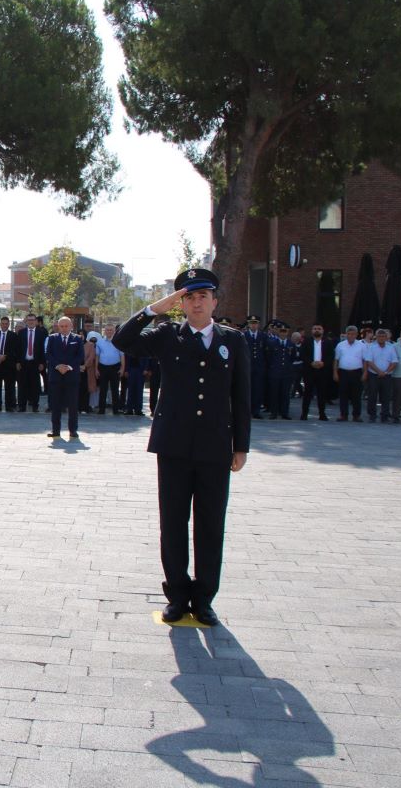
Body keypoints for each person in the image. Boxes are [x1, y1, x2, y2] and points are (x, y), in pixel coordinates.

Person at [112, 269, 250, 627]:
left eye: (204, 295)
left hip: (216, 446)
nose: (197, 301)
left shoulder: (232, 341)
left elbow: (242, 396)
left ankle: (204, 598)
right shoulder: (167, 335)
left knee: (210, 525)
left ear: (215, 300)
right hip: (173, 445)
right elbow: (123, 341)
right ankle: (176, 593)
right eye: (189, 296)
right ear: (181, 303)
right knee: (173, 523)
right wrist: (156, 307)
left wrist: (242, 446)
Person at [46, 316, 84, 439]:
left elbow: (80, 356)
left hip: (71, 376)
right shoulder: (52, 338)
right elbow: (48, 354)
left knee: (72, 405)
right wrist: (58, 366)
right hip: (56, 376)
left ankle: (73, 430)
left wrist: (68, 366)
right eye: (61, 326)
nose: (63, 328)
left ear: (71, 326)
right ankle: (55, 430)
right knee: (55, 404)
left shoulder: (77, 339)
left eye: (66, 326)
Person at [299, 324, 334, 421]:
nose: (317, 330)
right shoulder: (306, 342)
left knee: (322, 393)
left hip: (323, 371)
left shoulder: (328, 342)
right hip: (309, 371)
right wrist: (311, 362)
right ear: (311, 330)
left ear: (322, 331)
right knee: (307, 393)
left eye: (319, 329)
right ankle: (304, 414)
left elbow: (331, 356)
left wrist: (324, 363)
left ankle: (322, 414)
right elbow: (302, 354)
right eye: (315, 329)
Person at [363, 328, 397, 422]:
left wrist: (385, 372)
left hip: (387, 375)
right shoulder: (371, 347)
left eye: (383, 336)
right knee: (372, 395)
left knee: (386, 396)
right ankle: (372, 415)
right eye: (379, 336)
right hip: (373, 374)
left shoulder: (391, 347)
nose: (381, 338)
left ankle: (384, 416)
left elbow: (394, 362)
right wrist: (379, 371)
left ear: (386, 337)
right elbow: (369, 361)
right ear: (376, 337)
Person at [264, 322, 296, 420]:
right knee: (274, 393)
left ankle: (284, 412)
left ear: (287, 332)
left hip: (286, 372)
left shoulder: (291, 344)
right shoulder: (272, 343)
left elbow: (293, 357)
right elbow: (268, 357)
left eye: (285, 331)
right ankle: (274, 412)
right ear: (278, 331)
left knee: (285, 393)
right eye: (281, 331)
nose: (283, 333)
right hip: (275, 372)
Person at [332, 325, 365, 422]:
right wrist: (335, 372)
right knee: (343, 394)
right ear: (346, 334)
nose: (351, 336)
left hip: (357, 372)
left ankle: (356, 415)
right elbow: (336, 360)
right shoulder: (340, 345)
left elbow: (365, 361)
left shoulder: (362, 345)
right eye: (349, 334)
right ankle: (343, 415)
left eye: (353, 334)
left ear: (356, 335)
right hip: (343, 372)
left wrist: (365, 373)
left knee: (357, 395)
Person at [0, 316, 20, 412]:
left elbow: (15, 350)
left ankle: (9, 406)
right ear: (0, 324)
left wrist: (5, 356)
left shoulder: (13, 336)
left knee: (9, 387)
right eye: (3, 323)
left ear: (9, 324)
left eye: (6, 323)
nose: (4, 325)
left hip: (9, 365)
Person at [16, 314, 45, 412]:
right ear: (26, 321)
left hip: (35, 363)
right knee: (22, 385)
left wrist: (42, 363)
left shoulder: (41, 333)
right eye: (29, 320)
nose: (31, 322)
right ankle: (22, 406)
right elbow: (18, 349)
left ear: (36, 321)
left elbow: (43, 349)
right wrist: (18, 362)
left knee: (35, 386)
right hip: (23, 363)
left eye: (33, 320)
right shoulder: (21, 333)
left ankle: (35, 405)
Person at [242, 315, 267, 418]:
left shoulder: (263, 336)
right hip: (247, 366)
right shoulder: (243, 335)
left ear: (258, 324)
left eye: (255, 323)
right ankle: (246, 411)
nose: (253, 325)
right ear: (248, 324)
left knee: (257, 389)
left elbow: (266, 352)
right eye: (251, 323)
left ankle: (256, 411)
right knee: (247, 389)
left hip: (259, 367)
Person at [95, 326, 122, 414]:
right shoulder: (100, 342)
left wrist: (122, 368)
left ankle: (116, 410)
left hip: (115, 367)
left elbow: (122, 356)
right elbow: (97, 356)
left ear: (114, 331)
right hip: (103, 367)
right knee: (103, 389)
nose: (109, 331)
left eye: (111, 330)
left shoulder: (118, 341)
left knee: (115, 389)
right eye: (107, 330)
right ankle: (101, 409)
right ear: (105, 331)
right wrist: (96, 369)